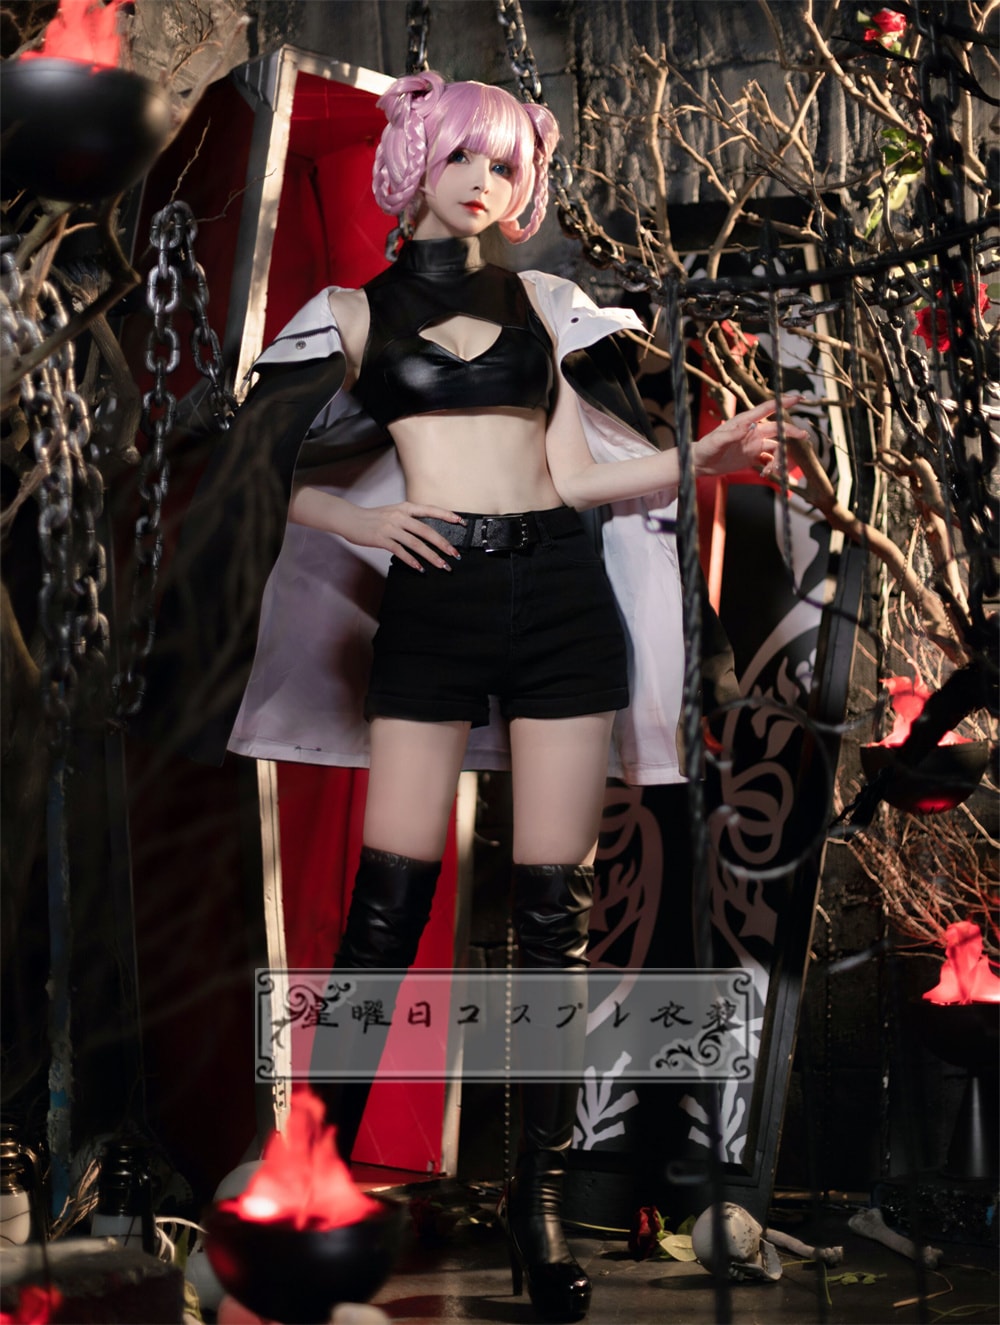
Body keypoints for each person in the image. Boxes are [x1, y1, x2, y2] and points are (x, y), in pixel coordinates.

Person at [152, 71, 803, 1324]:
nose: (485, 182)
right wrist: (360, 517)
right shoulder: (349, 314)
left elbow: (570, 474)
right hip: (433, 612)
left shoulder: (543, 307)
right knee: (384, 910)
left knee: (553, 915)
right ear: (419, 160)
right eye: (464, 156)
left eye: (507, 166)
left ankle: (534, 1204)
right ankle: (309, 1179)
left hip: (559, 604)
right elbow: (244, 466)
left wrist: (704, 457)